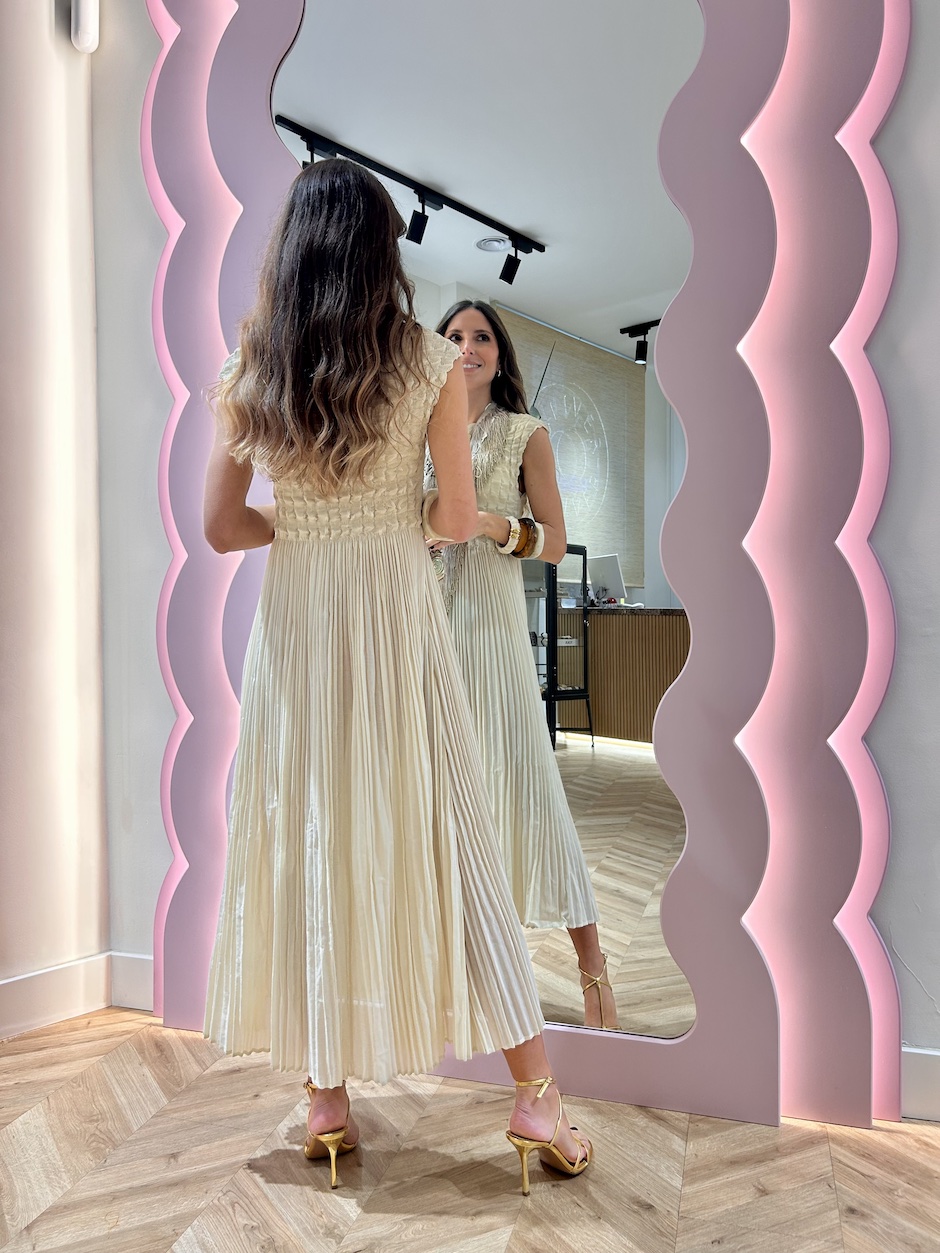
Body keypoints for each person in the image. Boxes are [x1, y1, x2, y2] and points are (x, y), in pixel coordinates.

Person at [201, 159, 591, 1195]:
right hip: (398, 620)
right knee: (453, 834)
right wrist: (385, 519)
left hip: (297, 631)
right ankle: (534, 1094)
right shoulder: (427, 361)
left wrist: (306, 525)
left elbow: (222, 526)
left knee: (311, 835)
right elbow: (457, 520)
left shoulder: (255, 364)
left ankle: (327, 1098)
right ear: (382, 249)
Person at [428, 300, 619, 1032]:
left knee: (529, 789)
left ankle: (592, 962)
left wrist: (485, 524)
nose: (466, 347)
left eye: (480, 336)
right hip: (428, 627)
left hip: (492, 628)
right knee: (444, 801)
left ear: (499, 353)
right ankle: (462, 972)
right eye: (453, 336)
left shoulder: (523, 433)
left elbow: (555, 540)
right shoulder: (418, 431)